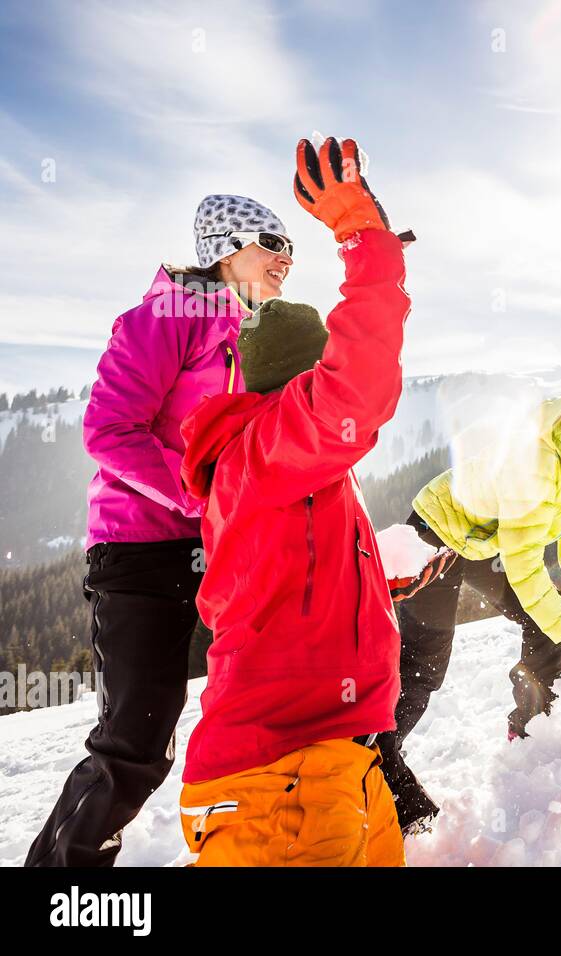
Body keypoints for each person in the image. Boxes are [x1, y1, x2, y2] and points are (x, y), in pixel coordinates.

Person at [25, 194, 293, 867]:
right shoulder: (166, 315)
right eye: (272, 242)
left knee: (291, 687)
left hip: (213, 546)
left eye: (293, 248)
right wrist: (199, 497)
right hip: (141, 551)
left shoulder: (247, 337)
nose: (287, 258)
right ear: (226, 246)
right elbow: (109, 428)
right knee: (136, 741)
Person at [175, 136, 411, 866]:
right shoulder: (264, 450)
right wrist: (364, 243)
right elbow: (359, 386)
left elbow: (275, 590)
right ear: (296, 383)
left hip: (339, 767)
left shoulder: (288, 472)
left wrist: (383, 582)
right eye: (319, 372)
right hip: (275, 786)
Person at [377, 370, 561, 834]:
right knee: (424, 665)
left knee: (544, 624)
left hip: (484, 541)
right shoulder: (539, 462)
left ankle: (530, 731)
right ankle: (375, 772)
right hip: (438, 531)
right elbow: (524, 563)